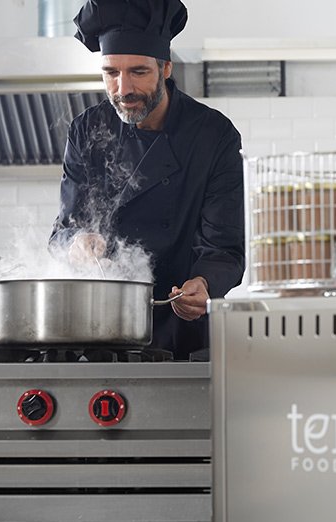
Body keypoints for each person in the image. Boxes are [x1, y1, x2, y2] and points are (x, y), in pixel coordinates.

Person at [50, 0, 245, 360]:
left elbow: (225, 246)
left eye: (138, 72)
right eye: (111, 72)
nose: (123, 89)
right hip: (98, 331)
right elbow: (63, 231)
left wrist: (204, 284)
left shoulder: (213, 135)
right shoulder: (87, 130)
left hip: (180, 331)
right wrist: (77, 242)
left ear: (166, 67)